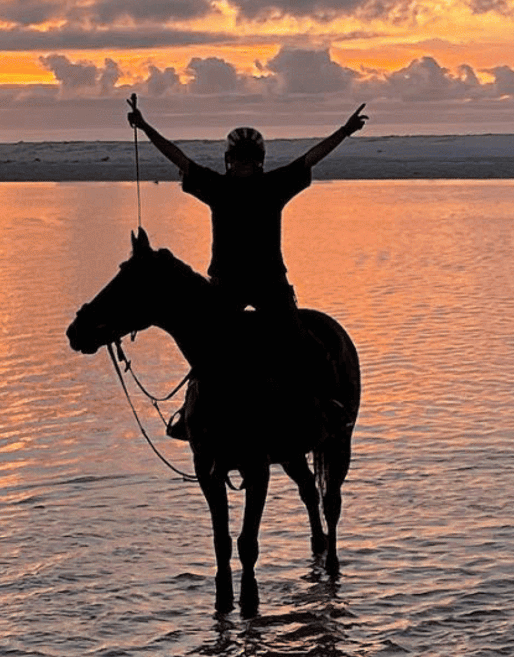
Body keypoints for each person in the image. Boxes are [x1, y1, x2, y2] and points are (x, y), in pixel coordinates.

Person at [125, 96, 368, 438]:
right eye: (239, 159)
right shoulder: (219, 188)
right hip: (227, 285)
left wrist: (344, 131)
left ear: (259, 162)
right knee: (203, 341)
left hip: (269, 285)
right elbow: (178, 158)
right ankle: (194, 410)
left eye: (249, 159)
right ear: (229, 160)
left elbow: (311, 157)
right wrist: (146, 126)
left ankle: (328, 403)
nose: (243, 164)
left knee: (302, 342)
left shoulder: (269, 186)